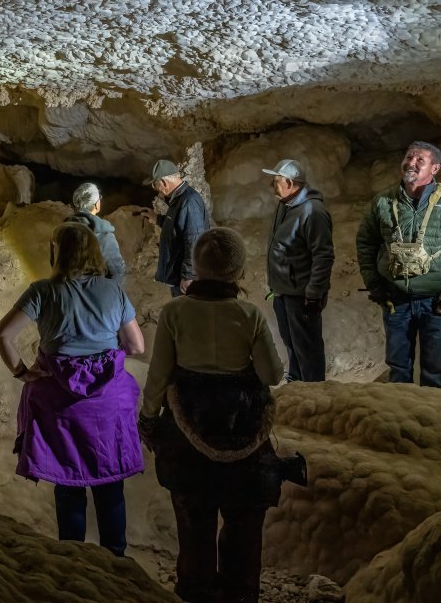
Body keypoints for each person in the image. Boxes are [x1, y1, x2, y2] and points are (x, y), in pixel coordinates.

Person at [138, 227, 286, 603]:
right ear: (237, 271)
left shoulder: (175, 312)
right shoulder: (249, 314)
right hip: (243, 434)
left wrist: (149, 418)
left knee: (195, 530)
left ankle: (197, 592)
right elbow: (272, 375)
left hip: (188, 440)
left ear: (198, 267)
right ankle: (240, 595)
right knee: (244, 532)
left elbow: (159, 375)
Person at [0, 221, 145, 557]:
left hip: (61, 406)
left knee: (69, 483)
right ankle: (115, 562)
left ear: (57, 253)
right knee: (109, 485)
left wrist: (22, 372)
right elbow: (136, 346)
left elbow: (2, 335)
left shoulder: (43, 291)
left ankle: (72, 559)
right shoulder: (113, 291)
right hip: (105, 408)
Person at [355, 141, 441, 388]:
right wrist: (374, 284)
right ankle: (399, 421)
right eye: (408, 157)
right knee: (398, 368)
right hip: (396, 299)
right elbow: (366, 243)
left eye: (419, 160)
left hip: (436, 302)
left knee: (433, 372)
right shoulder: (384, 201)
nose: (411, 163)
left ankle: (430, 421)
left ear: (435, 168)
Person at [262, 159, 334, 382]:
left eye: (276, 182)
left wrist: (314, 293)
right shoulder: (286, 205)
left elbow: (323, 256)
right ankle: (296, 383)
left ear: (290, 182)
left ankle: (314, 392)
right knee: (292, 343)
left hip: (301, 295)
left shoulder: (313, 212)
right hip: (284, 292)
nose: (272, 186)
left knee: (307, 347)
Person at [141, 158, 211, 297]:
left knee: (187, 315)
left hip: (185, 280)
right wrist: (157, 219)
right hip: (177, 275)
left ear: (164, 183)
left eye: (155, 186)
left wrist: (189, 276)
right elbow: (178, 226)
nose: (156, 190)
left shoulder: (189, 201)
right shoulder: (179, 199)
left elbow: (194, 241)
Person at [66, 181, 126, 283]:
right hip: (95, 292)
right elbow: (117, 272)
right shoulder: (105, 236)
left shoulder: (64, 231)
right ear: (96, 205)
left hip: (69, 291)